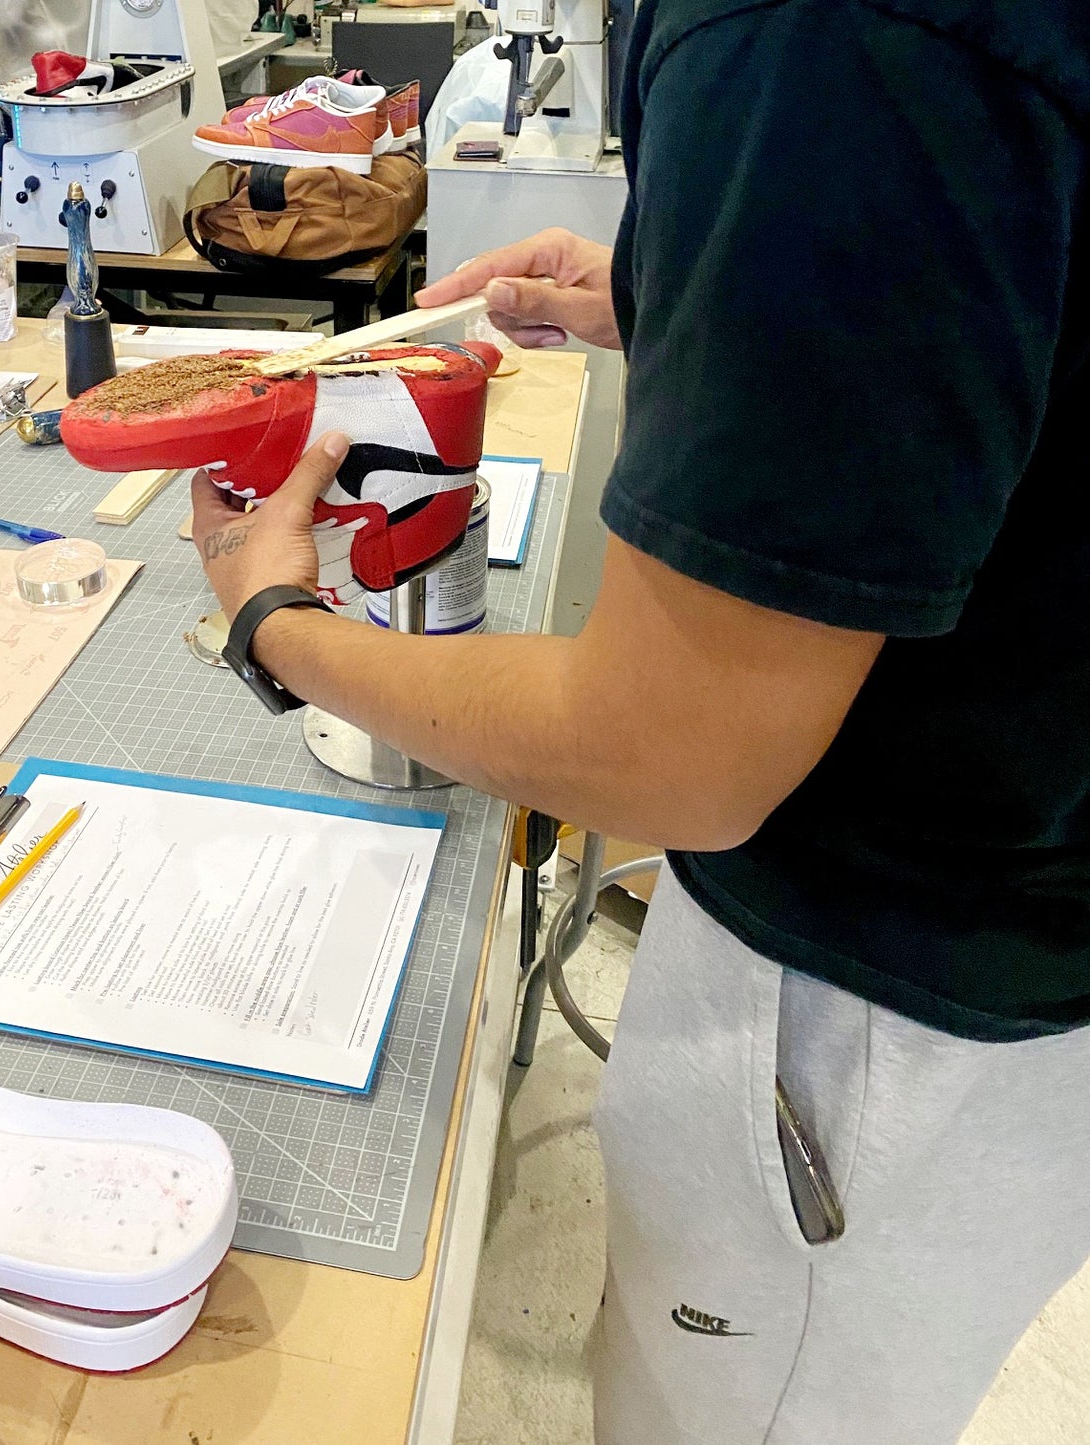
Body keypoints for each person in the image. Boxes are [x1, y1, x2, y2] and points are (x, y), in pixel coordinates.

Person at [191, 1, 1090, 1440]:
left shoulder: (820, 36)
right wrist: (720, 297)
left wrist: (279, 624)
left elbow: (667, 754)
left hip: (875, 989)